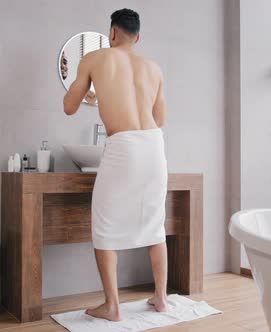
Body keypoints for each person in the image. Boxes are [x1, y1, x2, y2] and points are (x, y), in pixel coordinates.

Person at [62, 8, 168, 322]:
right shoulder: (153, 68)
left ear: (111, 33)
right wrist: (107, 98)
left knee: (105, 225)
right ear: (137, 37)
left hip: (123, 147)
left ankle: (112, 306)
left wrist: (91, 95)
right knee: (154, 224)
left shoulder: (95, 59)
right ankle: (161, 298)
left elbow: (69, 107)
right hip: (154, 146)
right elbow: (159, 119)